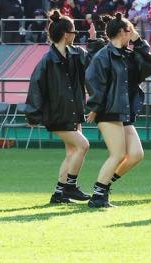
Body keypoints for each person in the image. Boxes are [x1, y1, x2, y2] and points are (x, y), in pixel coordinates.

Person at [84, 13, 151, 208]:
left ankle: (104, 185)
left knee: (135, 154)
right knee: (117, 154)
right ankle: (98, 196)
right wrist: (95, 107)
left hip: (123, 111)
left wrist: (138, 41)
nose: (133, 33)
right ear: (120, 33)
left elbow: (150, 63)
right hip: (108, 110)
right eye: (129, 30)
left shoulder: (130, 55)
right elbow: (94, 83)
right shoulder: (103, 55)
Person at [22, 11, 92, 204]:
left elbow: (92, 61)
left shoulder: (76, 54)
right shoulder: (47, 60)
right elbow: (36, 88)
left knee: (72, 152)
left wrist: (95, 41)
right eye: (74, 31)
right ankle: (70, 186)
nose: (76, 34)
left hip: (72, 112)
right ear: (66, 34)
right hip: (57, 114)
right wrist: (32, 115)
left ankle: (59, 194)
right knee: (83, 145)